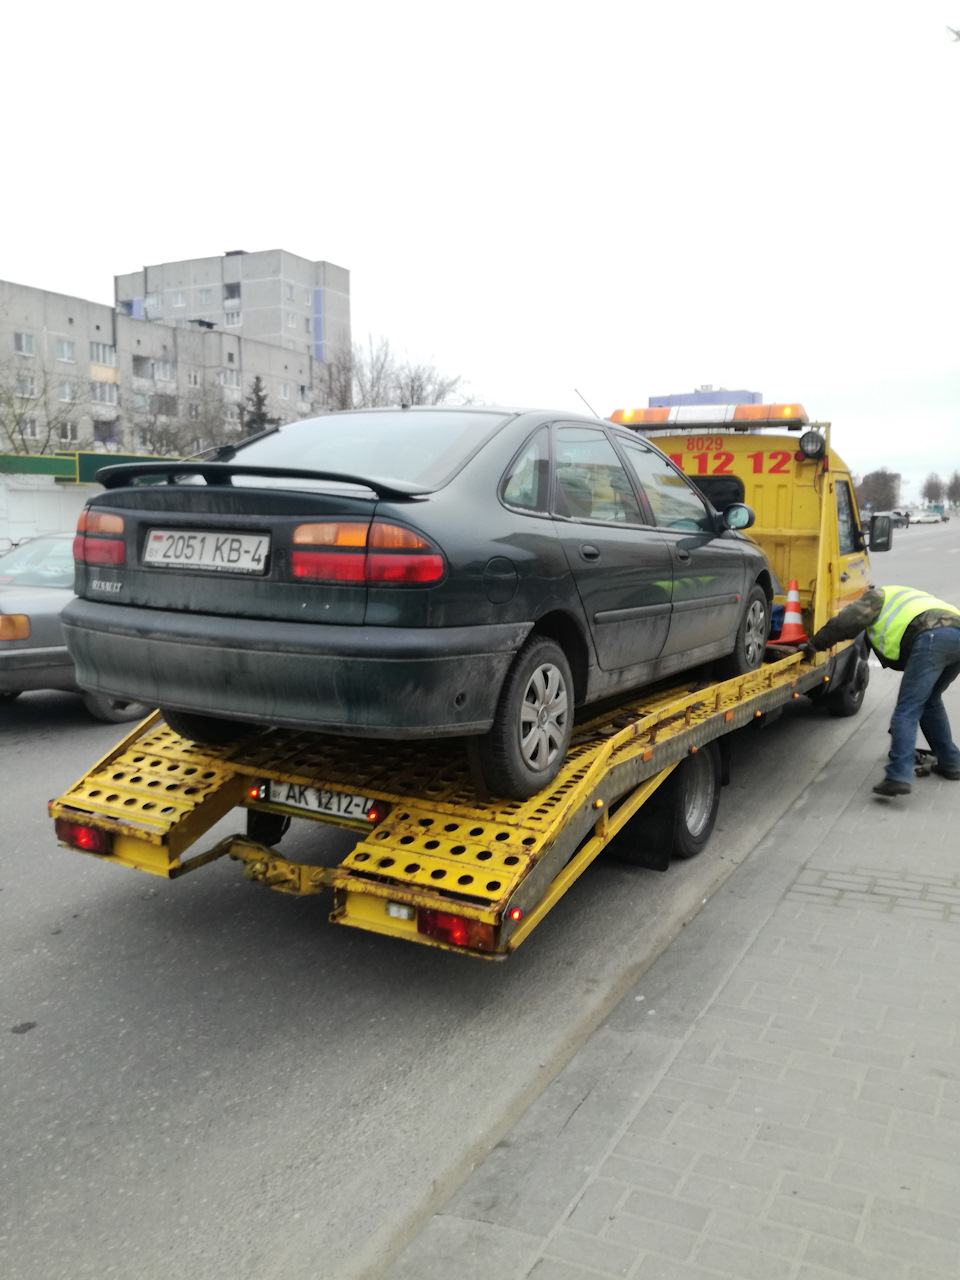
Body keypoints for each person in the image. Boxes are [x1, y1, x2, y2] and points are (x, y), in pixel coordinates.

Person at [802, 585, 960, 797]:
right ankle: (951, 762)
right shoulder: (909, 596)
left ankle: (898, 775)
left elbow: (844, 624)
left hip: (933, 637)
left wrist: (813, 645)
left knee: (908, 708)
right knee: (930, 700)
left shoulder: (876, 597)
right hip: (955, 634)